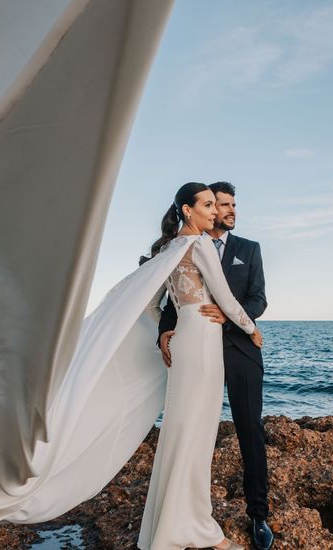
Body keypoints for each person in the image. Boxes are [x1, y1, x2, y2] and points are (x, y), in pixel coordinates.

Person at [138, 182, 263, 550]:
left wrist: (169, 331)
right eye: (208, 205)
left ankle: (170, 524)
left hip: (184, 343)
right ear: (187, 210)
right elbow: (223, 296)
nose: (215, 212)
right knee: (199, 435)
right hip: (205, 341)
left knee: (180, 430)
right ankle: (194, 529)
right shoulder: (200, 243)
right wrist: (251, 328)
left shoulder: (168, 248)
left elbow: (150, 304)